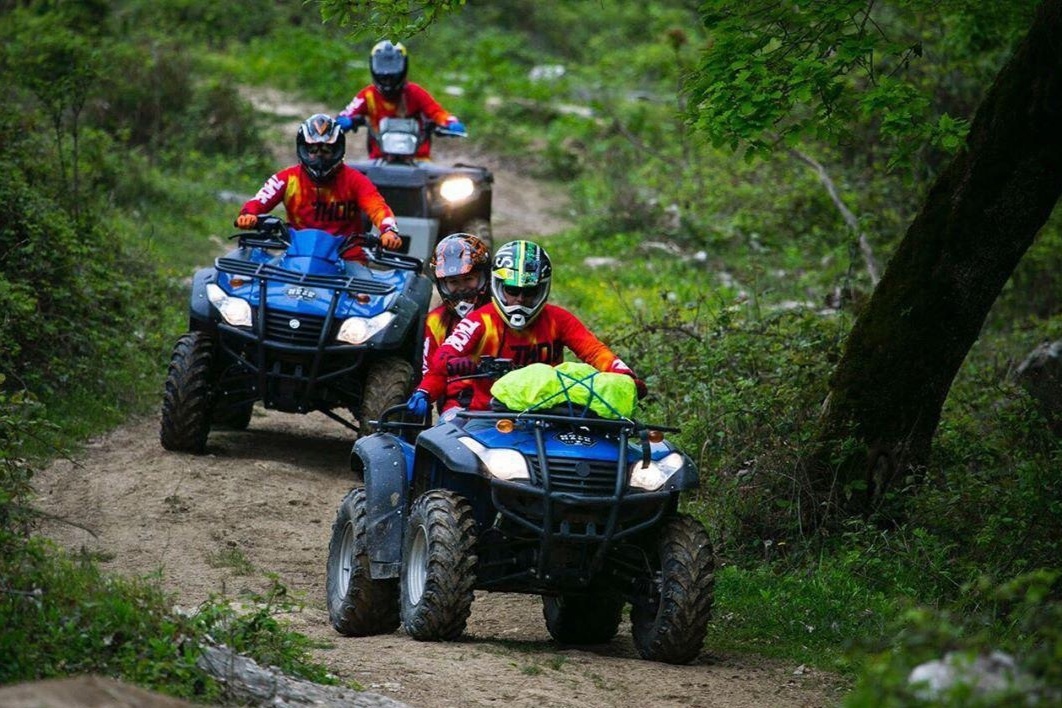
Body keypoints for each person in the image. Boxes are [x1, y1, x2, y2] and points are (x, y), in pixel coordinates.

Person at [406, 240, 647, 418]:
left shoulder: (558, 318)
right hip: (482, 413)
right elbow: (441, 357)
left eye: (529, 291)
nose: (520, 299)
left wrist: (625, 375)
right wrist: (444, 373)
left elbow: (595, 351)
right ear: (499, 286)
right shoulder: (480, 320)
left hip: (549, 411)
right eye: (512, 290)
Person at [235, 113, 403, 262]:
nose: (320, 157)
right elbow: (260, 200)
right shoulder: (287, 178)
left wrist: (388, 230)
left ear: (339, 149)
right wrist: (248, 214)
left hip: (347, 258)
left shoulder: (356, 180)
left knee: (365, 296)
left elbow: (378, 207)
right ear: (302, 149)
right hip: (296, 256)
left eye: (326, 150)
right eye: (313, 150)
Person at [335, 40, 465, 160]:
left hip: (417, 160)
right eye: (382, 65)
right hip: (379, 160)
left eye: (392, 65)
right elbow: (346, 113)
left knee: (443, 183)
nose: (387, 73)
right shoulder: (368, 95)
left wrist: (450, 123)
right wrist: (344, 121)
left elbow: (437, 112)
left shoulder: (415, 92)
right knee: (351, 181)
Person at [421, 232, 492, 418]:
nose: (462, 288)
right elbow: (429, 371)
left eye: (468, 279)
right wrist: (424, 394)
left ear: (484, 277)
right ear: (442, 284)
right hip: (458, 406)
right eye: (453, 282)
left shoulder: (498, 314)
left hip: (504, 402)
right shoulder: (435, 321)